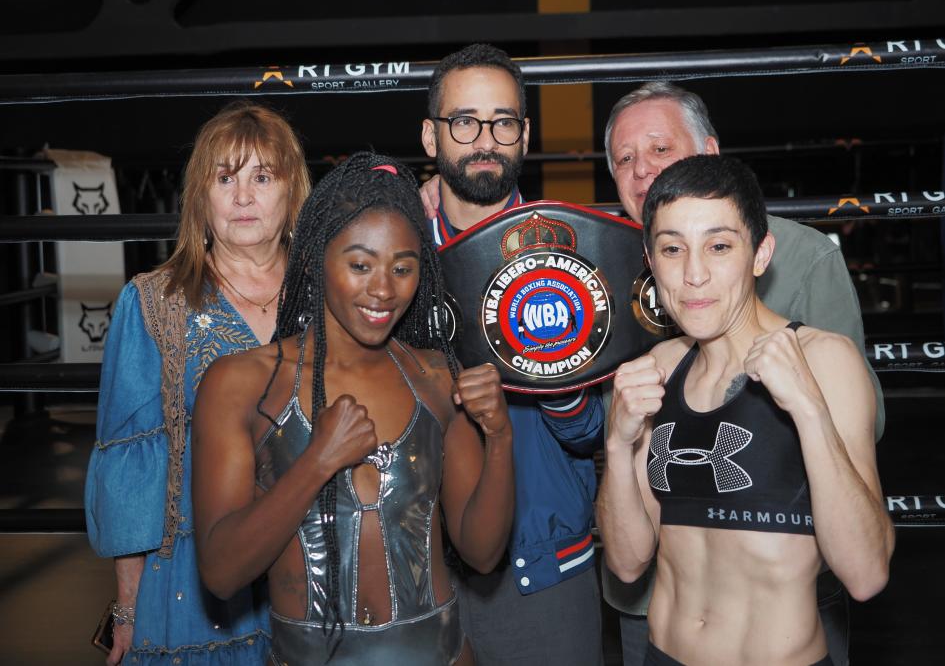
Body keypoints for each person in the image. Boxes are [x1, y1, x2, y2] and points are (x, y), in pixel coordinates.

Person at [600, 81, 885, 666]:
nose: (694, 275)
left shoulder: (824, 359)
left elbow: (866, 575)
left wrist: (809, 409)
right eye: (673, 250)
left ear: (760, 254)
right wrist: (618, 443)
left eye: (719, 247)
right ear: (652, 262)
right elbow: (627, 564)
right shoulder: (657, 369)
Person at [190, 152, 515, 665]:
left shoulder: (435, 377)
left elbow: (483, 552)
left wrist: (499, 437)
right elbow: (221, 572)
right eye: (360, 265)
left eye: (403, 268)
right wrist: (317, 461)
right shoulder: (242, 384)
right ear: (317, 258)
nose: (383, 289)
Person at [84, 101, 311, 664]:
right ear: (200, 198)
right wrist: (128, 609)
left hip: (317, 565)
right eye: (224, 178)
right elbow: (132, 470)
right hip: (194, 580)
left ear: (292, 192)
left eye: (263, 177)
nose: (243, 197)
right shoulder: (153, 303)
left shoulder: (332, 294)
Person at [420, 43, 605, 666]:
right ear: (431, 136)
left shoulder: (571, 250)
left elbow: (589, 432)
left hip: (544, 577)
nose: (484, 141)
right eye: (464, 122)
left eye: (502, 122)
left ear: (524, 135)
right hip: (413, 582)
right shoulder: (393, 256)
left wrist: (556, 369)